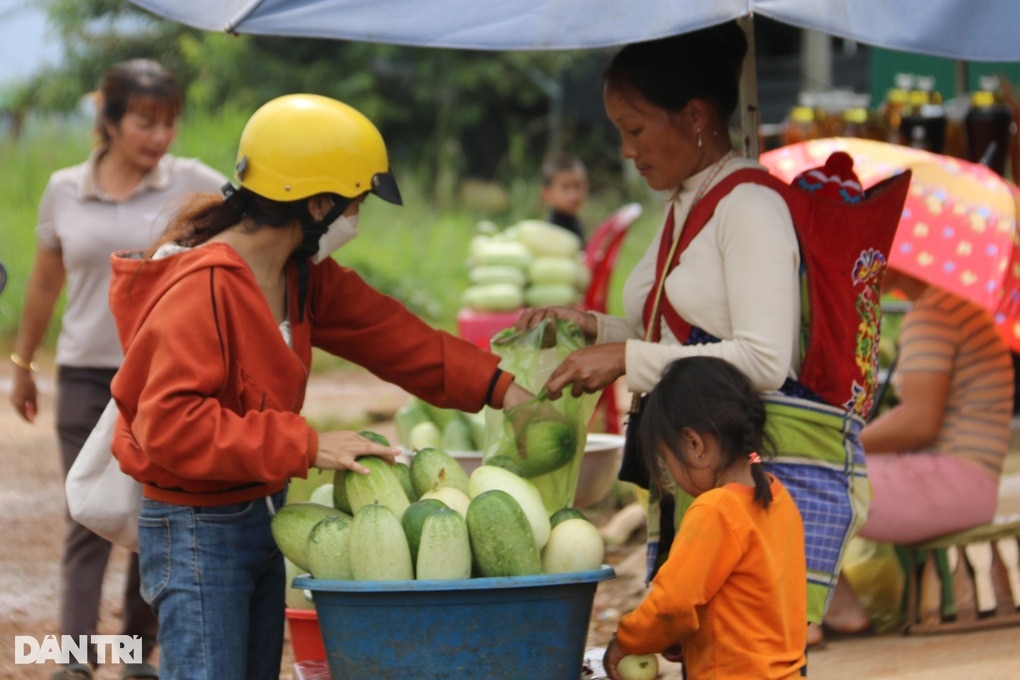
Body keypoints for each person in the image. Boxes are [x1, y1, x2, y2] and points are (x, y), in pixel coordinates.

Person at [106, 93, 543, 680]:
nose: (355, 220)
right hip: (195, 533)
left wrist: (500, 387)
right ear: (317, 205)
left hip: (262, 511)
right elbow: (171, 427)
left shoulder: (299, 276)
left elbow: (393, 336)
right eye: (354, 205)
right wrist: (309, 445)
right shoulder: (201, 288)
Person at [515, 21, 871, 648]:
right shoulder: (684, 200)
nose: (627, 150)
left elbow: (761, 358)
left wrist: (626, 356)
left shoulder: (750, 207)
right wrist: (594, 327)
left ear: (696, 115)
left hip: (747, 477)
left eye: (635, 129)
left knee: (743, 643)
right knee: (707, 643)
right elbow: (681, 330)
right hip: (698, 472)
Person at [8, 58, 227, 680]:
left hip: (163, 377)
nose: (159, 136)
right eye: (144, 121)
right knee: (87, 513)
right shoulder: (62, 188)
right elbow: (46, 283)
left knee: (147, 513)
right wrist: (24, 364)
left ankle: (137, 655)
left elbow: (250, 227)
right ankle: (74, 662)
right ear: (109, 119)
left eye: (169, 123)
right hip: (83, 374)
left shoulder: (192, 184)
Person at [823, 268, 1014, 634]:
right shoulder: (952, 308)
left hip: (952, 484)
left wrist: (841, 443)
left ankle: (838, 609)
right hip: (970, 484)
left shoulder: (933, 315)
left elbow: (919, 422)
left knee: (803, 480)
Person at [602, 356, 807, 680]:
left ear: (695, 444)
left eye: (667, 461)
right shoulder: (778, 499)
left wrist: (627, 639)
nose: (670, 473)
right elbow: (752, 604)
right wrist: (687, 637)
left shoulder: (715, 509)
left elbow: (672, 605)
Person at [539, 152, 589, 244]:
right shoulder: (551, 231)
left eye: (577, 186)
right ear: (546, 194)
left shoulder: (577, 225)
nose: (574, 194)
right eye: (565, 188)